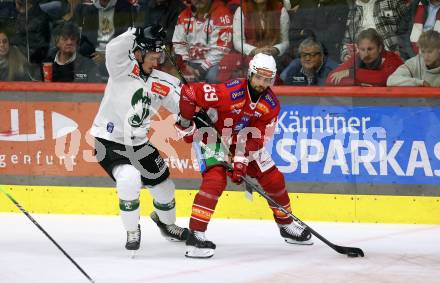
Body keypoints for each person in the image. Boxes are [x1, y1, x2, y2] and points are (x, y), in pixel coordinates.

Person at [175, 53, 313, 258]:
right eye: (259, 77)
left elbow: (257, 139)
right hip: (212, 137)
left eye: (267, 80)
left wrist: (240, 160)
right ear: (250, 74)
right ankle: (196, 236)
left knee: (273, 178)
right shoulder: (228, 92)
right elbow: (188, 92)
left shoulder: (271, 105)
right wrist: (186, 124)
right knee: (215, 179)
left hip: (241, 141)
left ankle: (286, 224)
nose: (262, 83)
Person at [90, 24, 189, 252]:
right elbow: (114, 47)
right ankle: (132, 230)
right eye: (153, 57)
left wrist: (192, 107)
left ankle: (167, 225)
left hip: (139, 143)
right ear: (138, 52)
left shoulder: (163, 81)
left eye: (160, 56)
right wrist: (135, 31)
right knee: (129, 178)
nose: (157, 62)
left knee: (165, 187)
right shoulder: (121, 68)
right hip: (109, 140)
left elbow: (181, 106)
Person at [172, 0, 233, 83]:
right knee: (176, 78)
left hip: (215, 63)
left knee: (212, 78)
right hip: (189, 62)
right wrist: (185, 65)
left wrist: (201, 69)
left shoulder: (222, 14)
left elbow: (221, 48)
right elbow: (178, 44)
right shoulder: (183, 15)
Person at [327, 28, 403, 86]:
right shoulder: (357, 57)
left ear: (379, 48)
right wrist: (359, 83)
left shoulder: (392, 59)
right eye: (362, 49)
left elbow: (384, 78)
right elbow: (330, 79)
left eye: (370, 49)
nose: (366, 54)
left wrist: (352, 73)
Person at [340, 0, 408, 62]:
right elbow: (347, 40)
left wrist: (402, 52)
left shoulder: (392, 2)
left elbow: (409, 28)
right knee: (334, 75)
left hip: (390, 55)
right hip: (362, 58)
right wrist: (346, 55)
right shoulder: (353, 10)